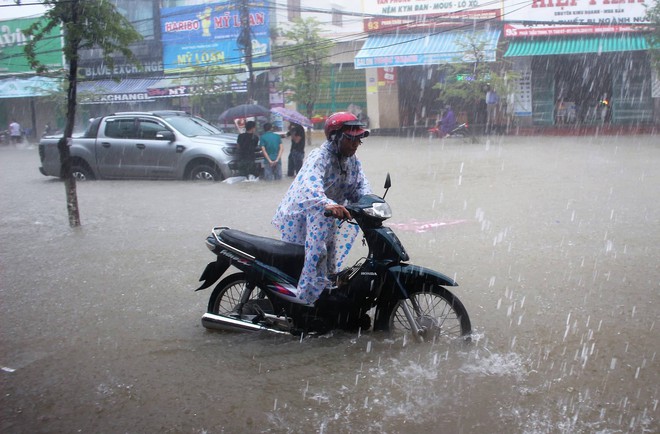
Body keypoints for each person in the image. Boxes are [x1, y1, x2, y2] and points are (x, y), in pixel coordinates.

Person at [271, 112, 371, 306]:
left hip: (328, 215)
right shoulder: (319, 156)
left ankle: (326, 299)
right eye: (350, 139)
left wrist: (370, 203)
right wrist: (327, 203)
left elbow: (360, 186)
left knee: (330, 263)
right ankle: (304, 302)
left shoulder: (352, 161)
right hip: (303, 215)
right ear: (335, 137)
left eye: (358, 139)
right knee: (313, 257)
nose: (355, 144)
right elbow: (310, 186)